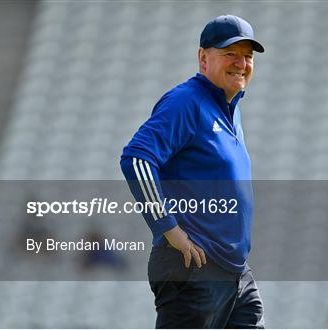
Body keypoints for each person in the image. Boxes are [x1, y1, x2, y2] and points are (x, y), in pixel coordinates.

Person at [120, 15, 265, 328]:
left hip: (234, 273)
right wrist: (168, 229)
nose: (241, 63)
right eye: (230, 53)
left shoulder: (230, 109)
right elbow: (136, 159)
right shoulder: (186, 101)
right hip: (194, 267)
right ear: (204, 57)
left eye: (248, 56)